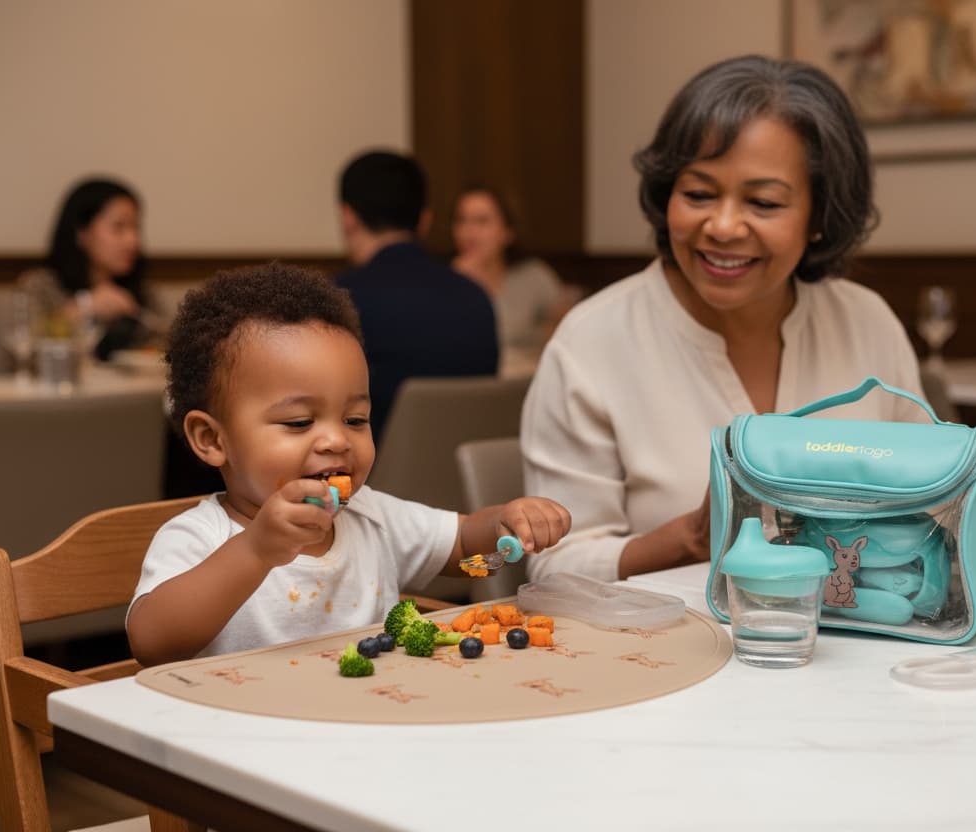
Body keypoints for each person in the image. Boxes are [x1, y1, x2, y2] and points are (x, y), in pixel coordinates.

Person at [520, 54, 926, 583]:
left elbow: (931, 510)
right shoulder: (591, 342)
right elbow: (554, 568)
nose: (724, 225)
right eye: (698, 194)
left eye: (762, 202)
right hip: (661, 653)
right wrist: (690, 538)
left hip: (864, 644)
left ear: (821, 216)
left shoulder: (865, 321)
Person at [126, 262, 570, 664]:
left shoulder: (370, 518)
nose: (337, 439)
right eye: (299, 422)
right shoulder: (200, 537)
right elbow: (152, 642)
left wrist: (506, 525)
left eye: (356, 419)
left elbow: (461, 548)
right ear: (212, 439)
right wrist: (256, 550)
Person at [335, 151, 499, 445]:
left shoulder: (338, 303)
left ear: (348, 217)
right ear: (424, 220)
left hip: (370, 484)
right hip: (469, 482)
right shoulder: (476, 298)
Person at [23, 177, 163, 359]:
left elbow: (170, 342)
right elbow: (24, 348)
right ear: (81, 233)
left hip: (134, 388)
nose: (132, 241)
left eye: (135, 228)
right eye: (119, 227)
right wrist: (86, 306)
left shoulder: (142, 290)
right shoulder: (40, 285)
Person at [451, 186, 581, 376]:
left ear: (507, 232)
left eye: (482, 221)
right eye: (461, 221)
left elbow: (571, 327)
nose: (469, 232)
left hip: (526, 384)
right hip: (473, 384)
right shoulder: (447, 282)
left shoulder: (533, 276)